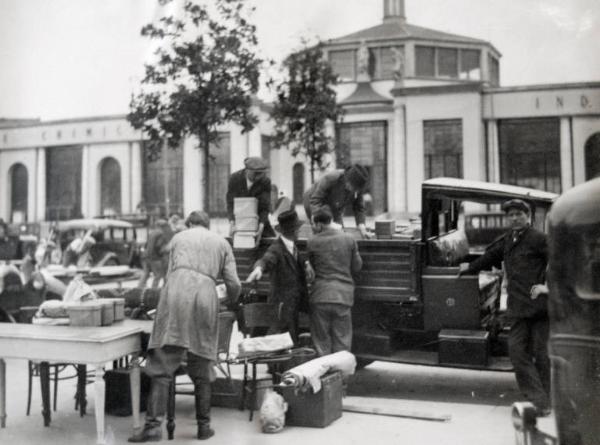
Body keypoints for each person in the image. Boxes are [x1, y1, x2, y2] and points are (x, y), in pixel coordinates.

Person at [128, 211, 241, 442]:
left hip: (177, 291)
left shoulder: (179, 237)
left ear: (190, 224)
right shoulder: (221, 243)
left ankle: (152, 427)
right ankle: (203, 427)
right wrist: (231, 298)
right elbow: (233, 282)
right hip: (206, 295)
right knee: (202, 361)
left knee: (162, 363)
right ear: (208, 225)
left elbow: (170, 274)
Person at [458, 199, 551, 416]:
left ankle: (544, 402)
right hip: (518, 308)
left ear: (528, 216)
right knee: (517, 354)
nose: (515, 218)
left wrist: (547, 287)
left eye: (519, 214)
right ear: (507, 218)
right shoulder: (508, 240)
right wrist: (468, 268)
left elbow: (560, 262)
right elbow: (489, 257)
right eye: (511, 215)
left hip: (539, 308)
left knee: (542, 355)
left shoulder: (539, 239)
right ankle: (541, 400)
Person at [246, 209, 313, 343]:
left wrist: (306, 263)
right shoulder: (276, 248)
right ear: (293, 231)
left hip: (291, 305)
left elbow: (297, 260)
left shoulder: (292, 246)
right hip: (282, 306)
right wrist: (259, 268)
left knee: (290, 340)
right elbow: (266, 259)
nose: (299, 231)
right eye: (298, 229)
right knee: (282, 341)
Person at [307, 208, 362, 356]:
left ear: (319, 224)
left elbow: (311, 271)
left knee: (321, 342)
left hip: (320, 296)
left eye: (313, 224)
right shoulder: (349, 239)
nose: (313, 227)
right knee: (343, 342)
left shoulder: (312, 242)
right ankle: (341, 377)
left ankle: (325, 377)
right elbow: (357, 267)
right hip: (343, 297)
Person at [303, 164, 372, 239]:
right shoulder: (331, 178)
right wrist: (320, 221)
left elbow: (359, 207)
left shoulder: (358, 187)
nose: (353, 190)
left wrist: (362, 227)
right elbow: (315, 200)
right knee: (323, 232)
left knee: (340, 233)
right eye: (351, 186)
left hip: (334, 206)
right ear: (346, 179)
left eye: (355, 189)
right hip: (313, 200)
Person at [226, 156, 275, 239]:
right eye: (256, 173)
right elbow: (230, 203)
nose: (259, 177)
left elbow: (264, 206)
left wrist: (261, 225)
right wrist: (232, 221)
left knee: (269, 242)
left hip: (259, 219)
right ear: (247, 171)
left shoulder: (265, 181)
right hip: (240, 221)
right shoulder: (235, 179)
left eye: (261, 173)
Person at [137, 219, 173, 288]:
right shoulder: (160, 233)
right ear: (164, 226)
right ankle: (154, 290)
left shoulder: (152, 232)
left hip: (146, 256)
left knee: (145, 274)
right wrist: (167, 248)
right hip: (155, 258)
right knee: (158, 275)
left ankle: (139, 288)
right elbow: (159, 247)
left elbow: (147, 245)